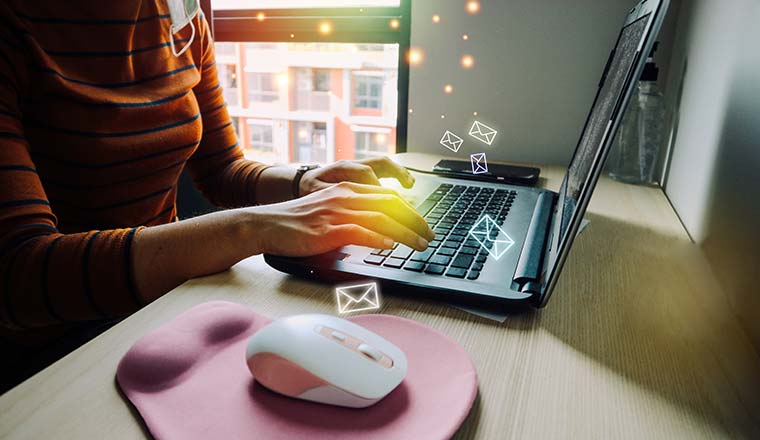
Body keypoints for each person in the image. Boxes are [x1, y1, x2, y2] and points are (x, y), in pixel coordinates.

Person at [0, 1, 433, 390]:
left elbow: (223, 170)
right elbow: (18, 275)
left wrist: (304, 181)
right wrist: (255, 227)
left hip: (165, 304)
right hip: (57, 349)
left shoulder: (180, 17)